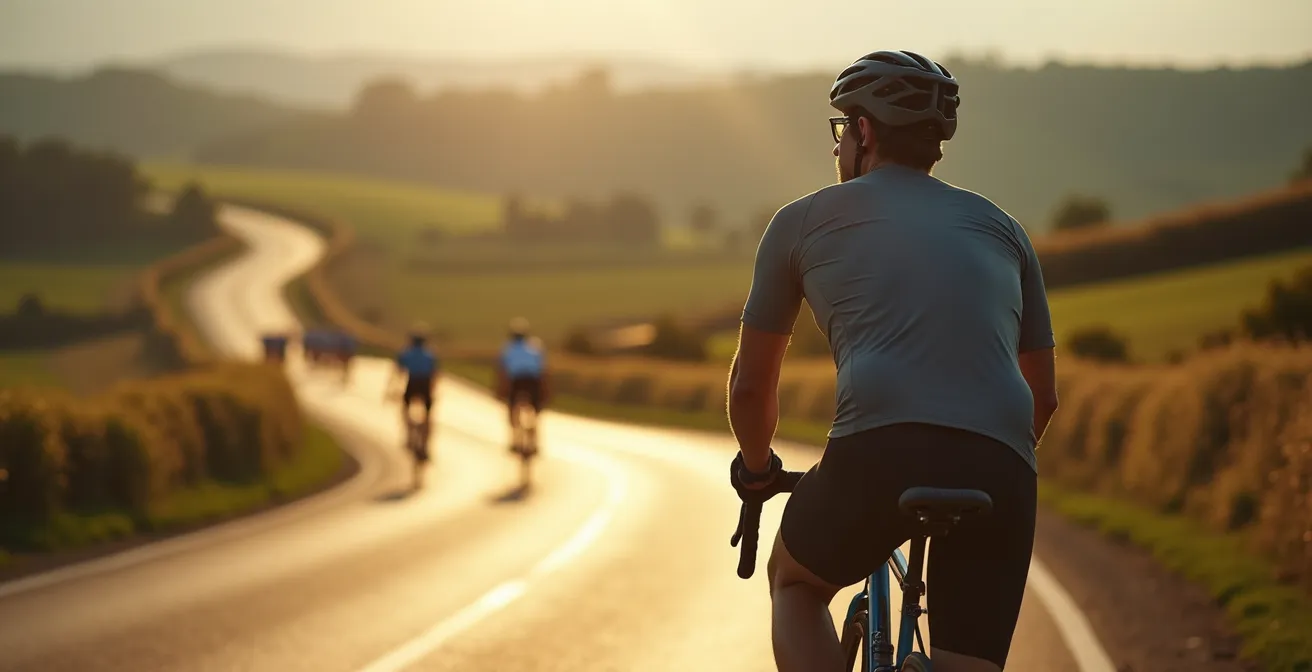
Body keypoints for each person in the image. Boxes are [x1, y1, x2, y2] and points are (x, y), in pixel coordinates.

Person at [727, 50, 1059, 672]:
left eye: (841, 130)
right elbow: (1043, 396)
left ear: (865, 131)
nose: (837, 148)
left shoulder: (800, 222)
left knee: (795, 585)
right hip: (1001, 466)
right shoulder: (1006, 230)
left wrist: (756, 468)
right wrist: (974, 456)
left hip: (878, 452)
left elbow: (750, 386)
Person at [495, 317, 550, 451]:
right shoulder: (535, 347)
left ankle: (515, 438)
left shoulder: (507, 348)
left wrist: (500, 390)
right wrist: (545, 390)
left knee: (512, 406)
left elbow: (503, 372)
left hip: (517, 380)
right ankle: (533, 439)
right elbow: (544, 370)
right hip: (533, 381)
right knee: (535, 409)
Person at [388, 323, 441, 432]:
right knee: (427, 404)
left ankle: (407, 425)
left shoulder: (407, 352)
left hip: (413, 380)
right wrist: (434, 385)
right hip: (425, 382)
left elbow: (399, 368)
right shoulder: (429, 354)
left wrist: (394, 383)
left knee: (406, 401)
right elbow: (435, 371)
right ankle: (426, 423)